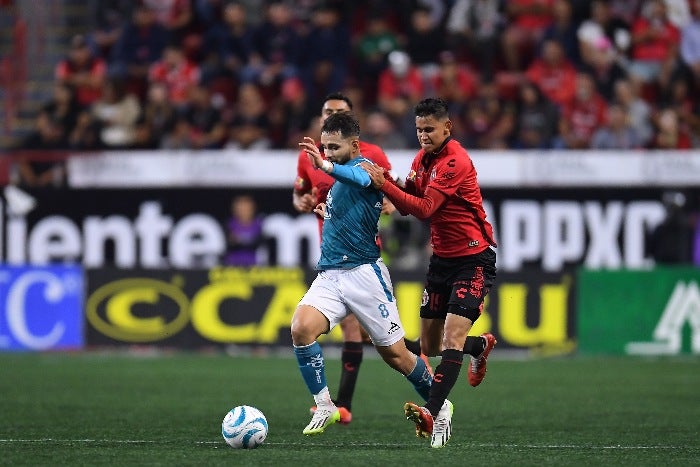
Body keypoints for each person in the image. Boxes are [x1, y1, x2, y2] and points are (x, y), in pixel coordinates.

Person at [361, 97, 497, 449]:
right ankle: (480, 346)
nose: (423, 135)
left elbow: (424, 209)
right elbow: (410, 199)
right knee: (430, 345)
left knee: (450, 339)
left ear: (447, 128)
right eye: (419, 129)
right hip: (441, 262)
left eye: (429, 129)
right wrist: (387, 185)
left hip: (474, 259)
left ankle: (432, 411)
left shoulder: (456, 161)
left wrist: (384, 185)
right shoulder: (422, 160)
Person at [291, 112, 436, 436]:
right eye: (324, 148)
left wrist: (324, 166)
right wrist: (327, 211)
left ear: (354, 145)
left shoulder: (364, 168)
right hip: (330, 275)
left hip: (364, 275)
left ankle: (437, 404)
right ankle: (326, 405)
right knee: (301, 329)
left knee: (396, 355)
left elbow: (360, 181)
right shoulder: (339, 178)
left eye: (333, 147)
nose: (327, 153)